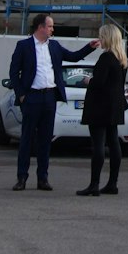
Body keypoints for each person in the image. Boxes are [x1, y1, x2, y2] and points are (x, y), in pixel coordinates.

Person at [6, 14, 96, 191]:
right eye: (50, 26)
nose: (52, 30)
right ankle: (22, 177)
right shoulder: (24, 46)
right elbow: (14, 72)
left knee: (45, 139)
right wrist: (21, 95)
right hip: (31, 97)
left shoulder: (54, 46)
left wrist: (89, 47)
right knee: (27, 138)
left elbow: (73, 57)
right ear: (40, 27)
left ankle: (43, 178)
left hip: (49, 97)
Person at [77, 23, 128, 196]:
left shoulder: (106, 58)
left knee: (98, 144)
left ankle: (94, 184)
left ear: (107, 37)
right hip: (115, 106)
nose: (100, 39)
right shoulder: (121, 59)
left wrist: (88, 81)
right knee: (113, 142)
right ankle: (112, 183)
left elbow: (99, 82)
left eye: (101, 36)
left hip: (100, 106)